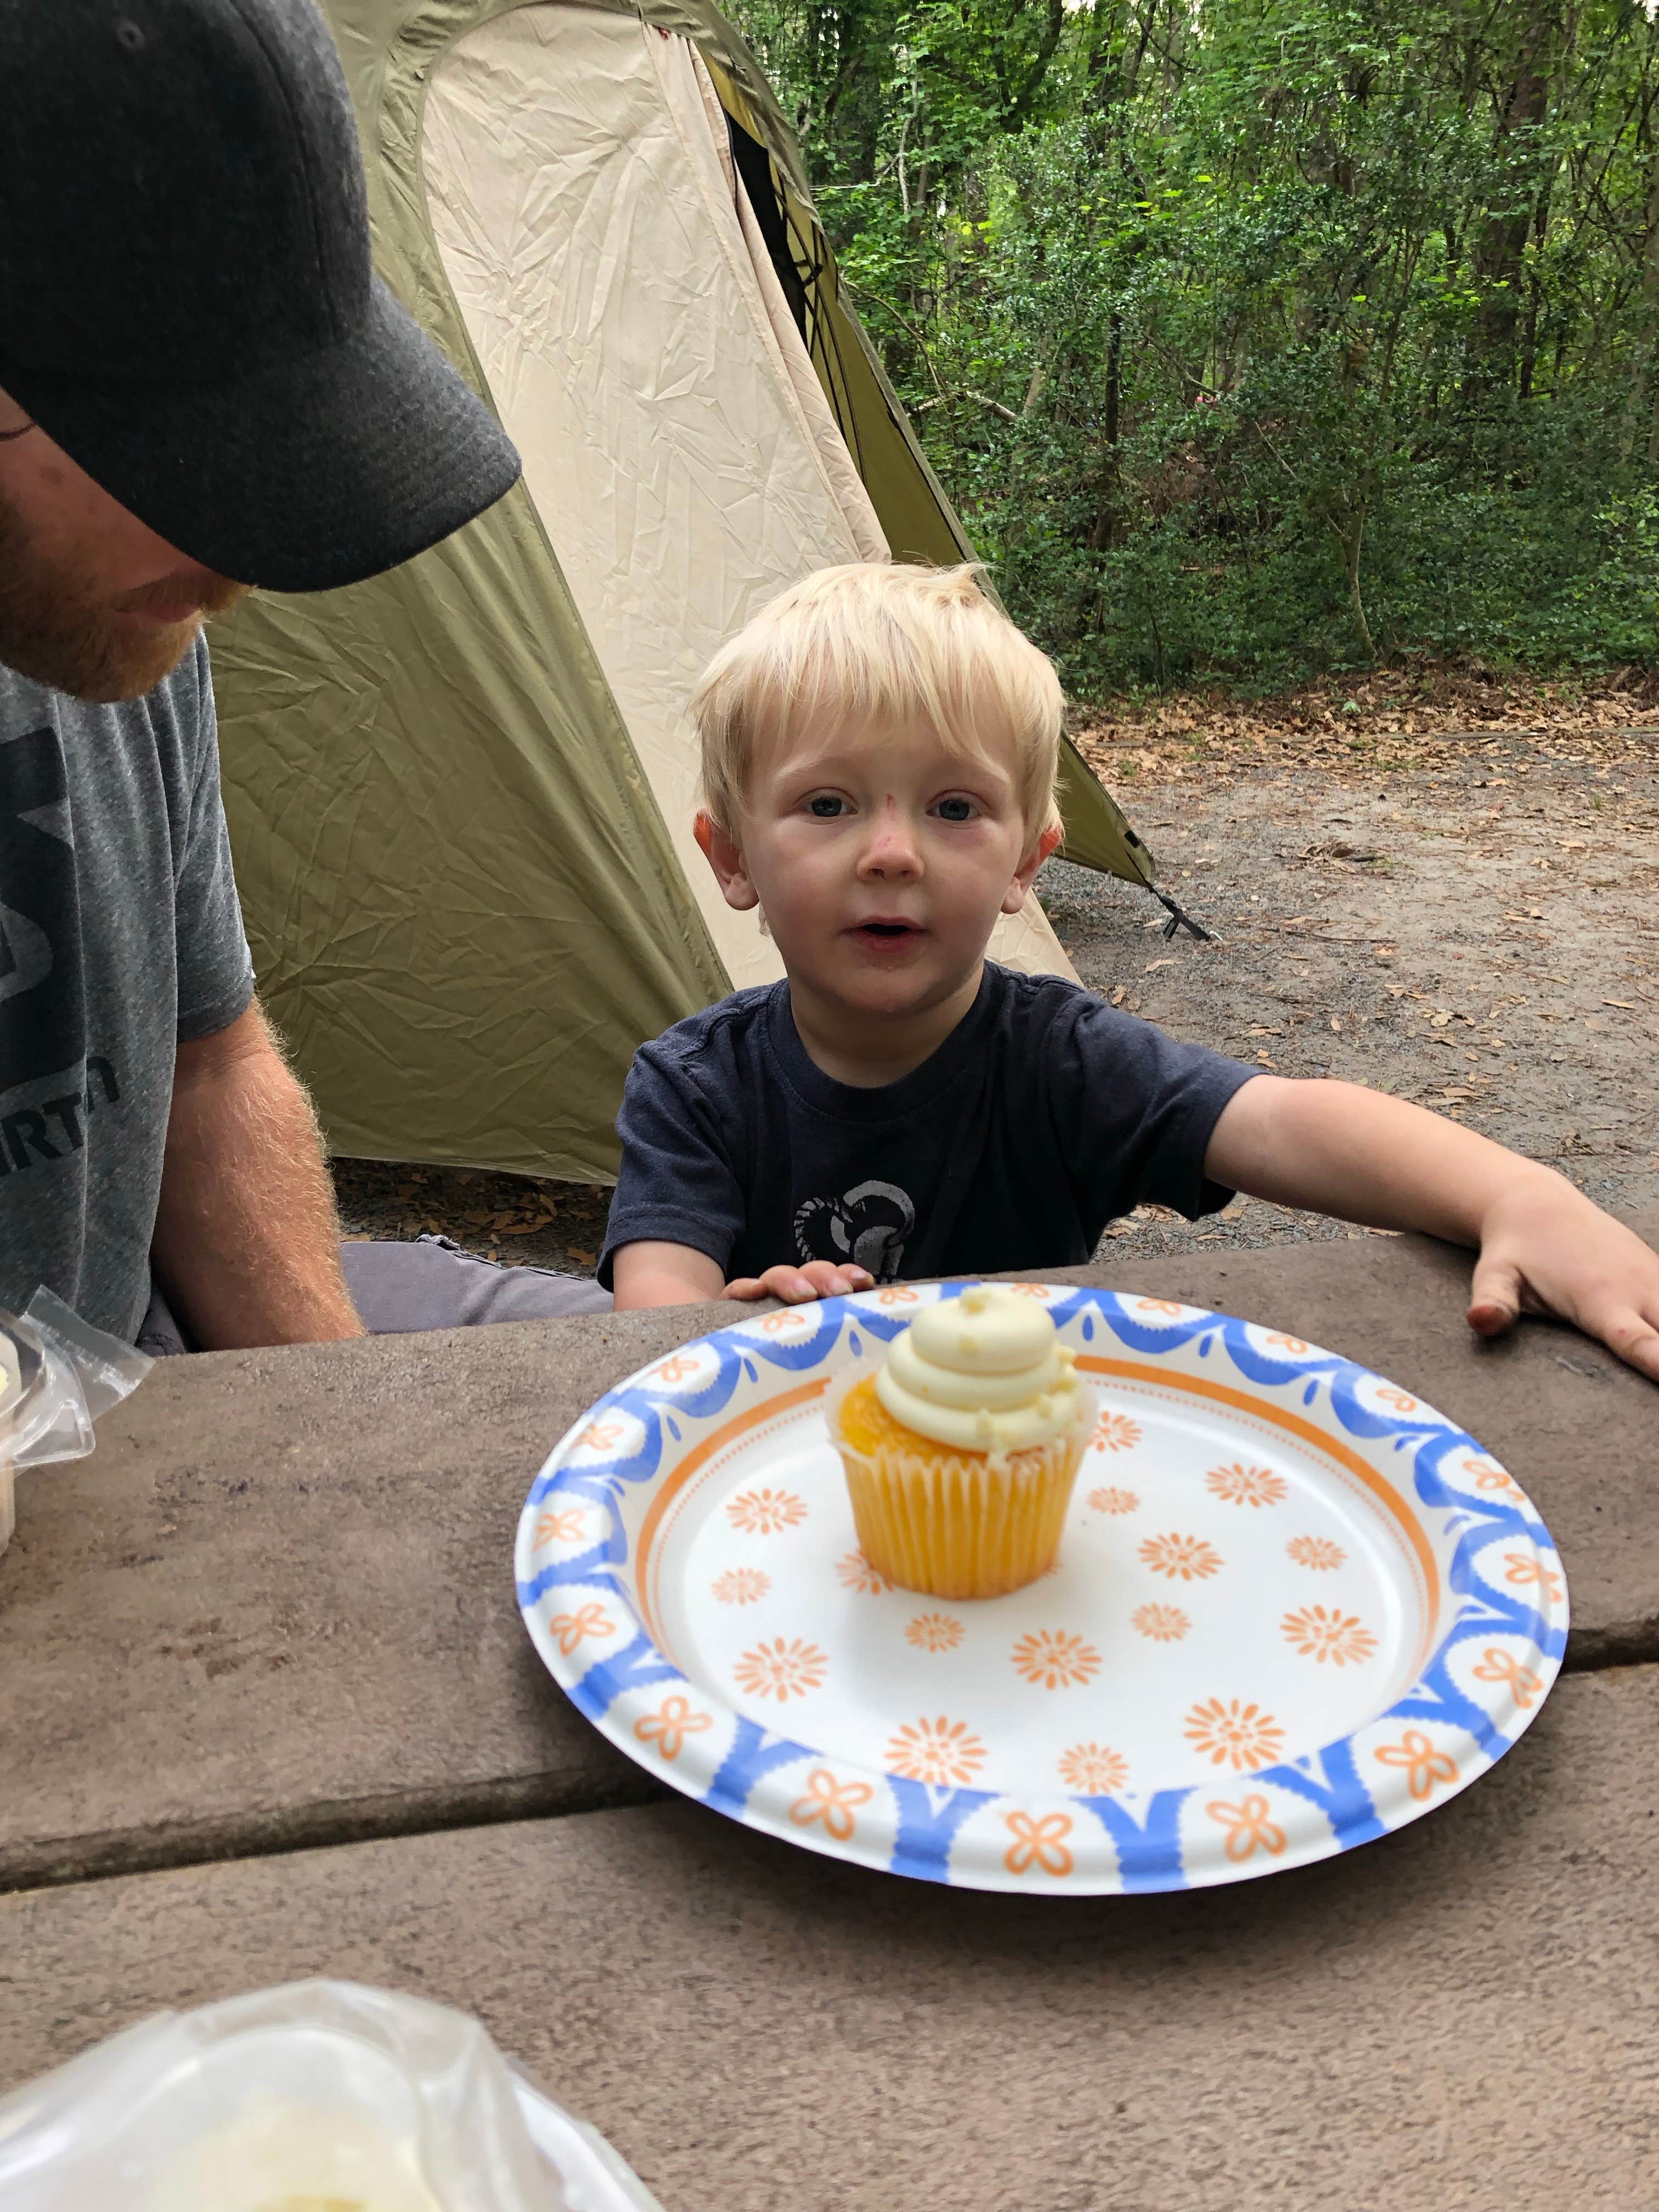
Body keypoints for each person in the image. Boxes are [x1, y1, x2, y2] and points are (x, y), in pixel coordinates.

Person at [600, 562, 1659, 1384]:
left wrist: (1518, 1193)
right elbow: (652, 1331)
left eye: (955, 807)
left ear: (1026, 863)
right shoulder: (695, 1087)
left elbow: (1282, 1120)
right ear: (732, 857)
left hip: (1023, 1469)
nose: (893, 853)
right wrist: (731, 1330)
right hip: (781, 1465)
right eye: (827, 804)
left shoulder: (1062, 1060)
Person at [0, 0, 607, 1351]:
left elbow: (205, 1069)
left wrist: (334, 1434)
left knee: (690, 1366)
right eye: (161, 451)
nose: (235, 563)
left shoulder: (120, 616)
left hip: (133, 1368)